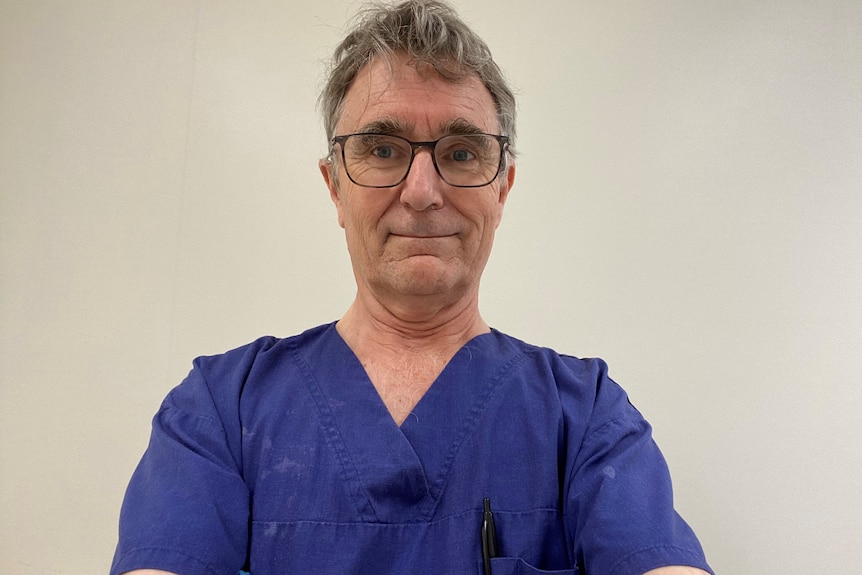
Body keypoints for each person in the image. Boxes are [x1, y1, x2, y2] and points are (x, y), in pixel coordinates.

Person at [111, 1, 713, 574]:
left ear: (501, 188)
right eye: (381, 149)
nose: (422, 192)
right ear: (334, 187)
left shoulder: (583, 419)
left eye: (460, 152)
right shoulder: (221, 411)